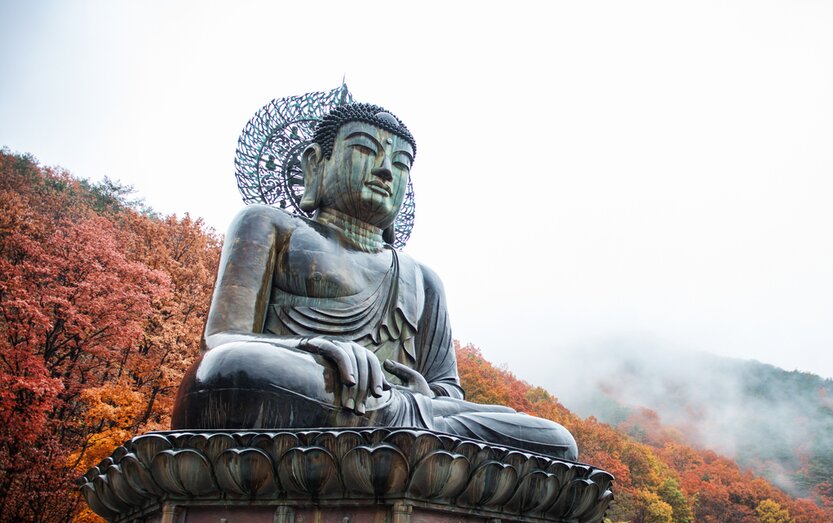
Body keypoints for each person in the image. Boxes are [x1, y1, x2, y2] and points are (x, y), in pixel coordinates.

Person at [172, 102, 576, 460]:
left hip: (403, 411)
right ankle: (400, 439)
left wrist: (421, 396)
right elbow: (222, 340)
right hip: (309, 391)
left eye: (400, 164)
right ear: (316, 164)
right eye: (365, 149)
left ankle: (397, 434)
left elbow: (447, 392)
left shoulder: (422, 278)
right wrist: (315, 348)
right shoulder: (268, 225)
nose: (386, 170)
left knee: (556, 442)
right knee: (229, 370)